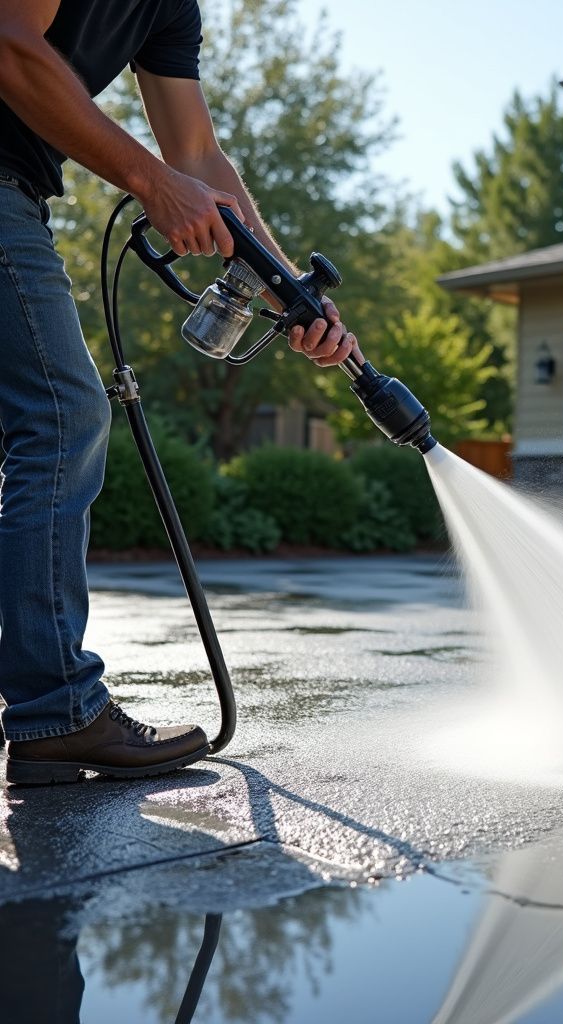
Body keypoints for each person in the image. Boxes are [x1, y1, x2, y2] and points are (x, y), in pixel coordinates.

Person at [0, 1, 361, 784]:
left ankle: (50, 708)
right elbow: (9, 46)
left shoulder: (170, 8)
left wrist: (289, 294)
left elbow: (196, 153)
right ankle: (55, 710)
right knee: (65, 414)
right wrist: (146, 181)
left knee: (54, 413)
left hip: (17, 194)